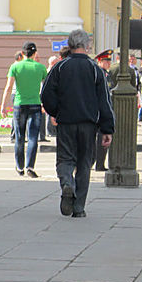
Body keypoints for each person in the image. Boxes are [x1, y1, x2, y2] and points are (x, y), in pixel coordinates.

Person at [40, 29, 114, 218]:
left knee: (65, 159)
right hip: (89, 124)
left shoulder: (60, 67)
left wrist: (56, 112)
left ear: (70, 45)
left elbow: (46, 95)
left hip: (66, 122)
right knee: (84, 163)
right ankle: (79, 207)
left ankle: (67, 183)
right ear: (87, 46)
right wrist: (107, 129)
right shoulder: (95, 69)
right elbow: (104, 100)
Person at [0, 41, 47, 178]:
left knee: (19, 137)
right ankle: (30, 166)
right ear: (35, 53)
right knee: (33, 137)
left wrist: (3, 105)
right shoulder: (40, 68)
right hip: (35, 105)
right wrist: (46, 104)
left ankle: (19, 167)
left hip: (19, 105)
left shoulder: (15, 66)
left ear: (22, 53)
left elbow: (9, 87)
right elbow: (47, 87)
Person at [93, 49, 113, 171]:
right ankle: (97, 163)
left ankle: (99, 163)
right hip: (99, 109)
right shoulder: (99, 73)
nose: (108, 63)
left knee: (101, 138)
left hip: (103, 108)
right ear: (100, 61)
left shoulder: (106, 74)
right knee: (100, 138)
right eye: (106, 61)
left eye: (109, 61)